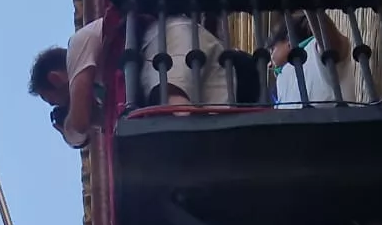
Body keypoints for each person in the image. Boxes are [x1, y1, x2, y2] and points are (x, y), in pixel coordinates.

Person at [29, 13, 234, 148]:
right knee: (218, 118)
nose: (58, 105)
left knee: (174, 105)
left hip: (165, 43)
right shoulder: (105, 84)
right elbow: (104, 120)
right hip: (190, 49)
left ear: (55, 78)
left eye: (52, 100)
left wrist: (68, 128)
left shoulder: (76, 46)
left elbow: (80, 122)